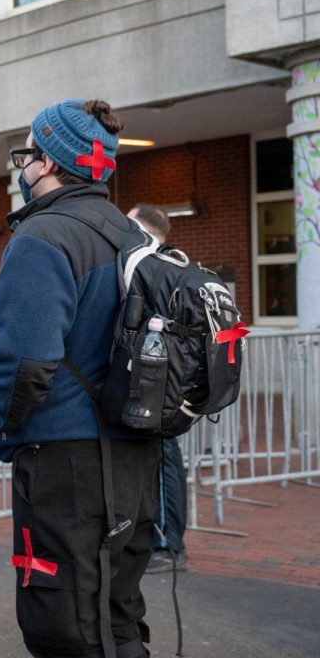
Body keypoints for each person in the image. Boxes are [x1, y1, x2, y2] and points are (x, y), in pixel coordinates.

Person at [0, 99, 160, 658]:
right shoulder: (132, 233)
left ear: (49, 162)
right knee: (117, 618)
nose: (23, 165)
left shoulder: (41, 237)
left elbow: (25, 363)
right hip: (137, 457)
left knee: (68, 629)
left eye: (28, 153)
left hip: (66, 469)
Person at [126, 204, 188, 575]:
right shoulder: (173, 265)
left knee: (164, 463)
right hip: (164, 381)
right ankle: (164, 539)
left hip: (158, 382)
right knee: (163, 461)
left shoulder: (157, 266)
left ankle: (167, 543)